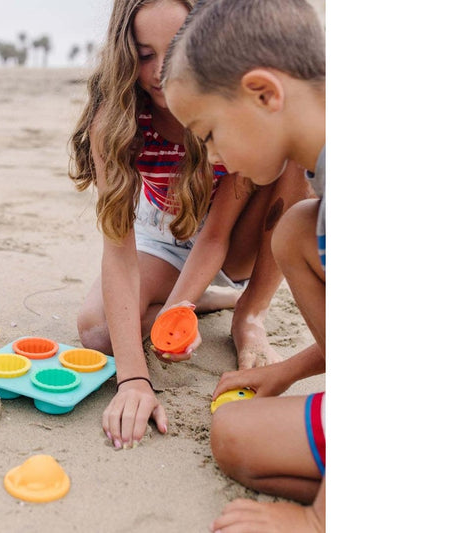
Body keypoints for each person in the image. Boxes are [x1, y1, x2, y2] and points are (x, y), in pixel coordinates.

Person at [68, 0, 310, 450]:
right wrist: (133, 379)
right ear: (124, 55)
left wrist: (177, 308)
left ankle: (248, 312)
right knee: (97, 333)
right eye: (144, 55)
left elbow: (215, 237)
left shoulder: (233, 103)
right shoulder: (117, 123)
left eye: (177, 48)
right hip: (163, 235)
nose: (161, 71)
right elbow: (118, 251)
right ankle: (208, 299)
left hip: (233, 239)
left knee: (293, 152)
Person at [162, 0, 325, 530]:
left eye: (209, 134)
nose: (209, 157)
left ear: (264, 93)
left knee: (235, 435)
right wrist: (286, 370)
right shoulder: (320, 187)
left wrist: (316, 519)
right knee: (297, 229)